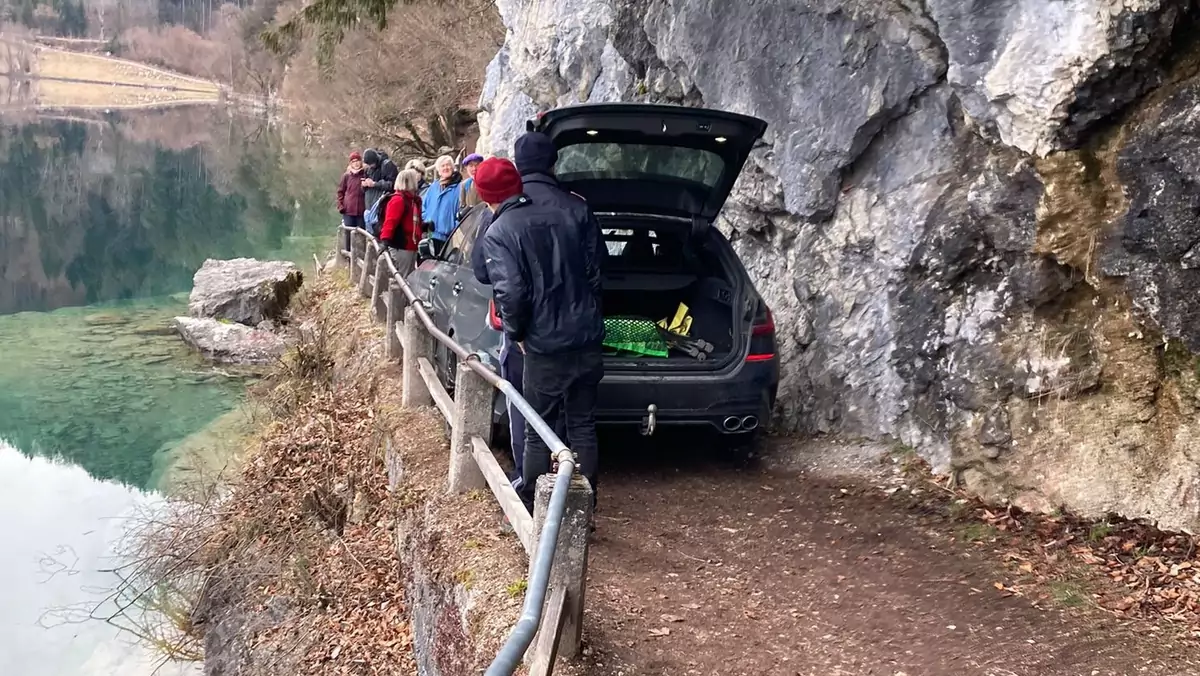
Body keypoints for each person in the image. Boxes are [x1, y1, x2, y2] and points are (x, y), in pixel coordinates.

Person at [476, 157, 605, 514]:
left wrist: (517, 334)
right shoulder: (569, 212)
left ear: (485, 195)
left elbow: (511, 294)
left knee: (537, 429)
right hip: (587, 336)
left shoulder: (500, 231)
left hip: (545, 345)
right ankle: (584, 509)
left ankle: (536, 511)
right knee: (582, 424)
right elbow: (595, 272)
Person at [380, 169, 424, 277]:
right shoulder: (399, 200)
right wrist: (385, 240)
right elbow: (390, 221)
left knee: (409, 275)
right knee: (405, 277)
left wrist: (425, 226)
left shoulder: (413, 201)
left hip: (411, 245)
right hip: (402, 246)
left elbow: (413, 222)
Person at [421, 154, 463, 255]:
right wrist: (427, 220)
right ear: (438, 170)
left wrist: (454, 227)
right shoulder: (433, 187)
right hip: (430, 235)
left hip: (448, 237)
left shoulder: (459, 188)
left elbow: (462, 210)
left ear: (453, 168)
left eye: (448, 165)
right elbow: (423, 206)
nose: (446, 168)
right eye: (442, 166)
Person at [336, 151, 367, 252]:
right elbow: (340, 192)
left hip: (362, 210)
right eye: (353, 161)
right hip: (348, 210)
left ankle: (362, 255)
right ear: (350, 163)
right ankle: (349, 256)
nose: (356, 163)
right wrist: (340, 206)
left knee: (362, 234)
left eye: (358, 161)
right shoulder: (346, 176)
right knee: (348, 234)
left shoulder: (365, 174)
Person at [362, 148, 399, 218]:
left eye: (371, 164)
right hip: (370, 206)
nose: (370, 166)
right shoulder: (368, 169)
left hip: (383, 205)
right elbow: (364, 188)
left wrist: (375, 184)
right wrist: (364, 185)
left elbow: (393, 185)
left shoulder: (387, 165)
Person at [457, 153, 484, 220]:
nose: (474, 168)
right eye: (471, 166)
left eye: (477, 165)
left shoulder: (487, 181)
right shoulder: (465, 184)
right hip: (471, 222)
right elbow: (462, 205)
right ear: (466, 168)